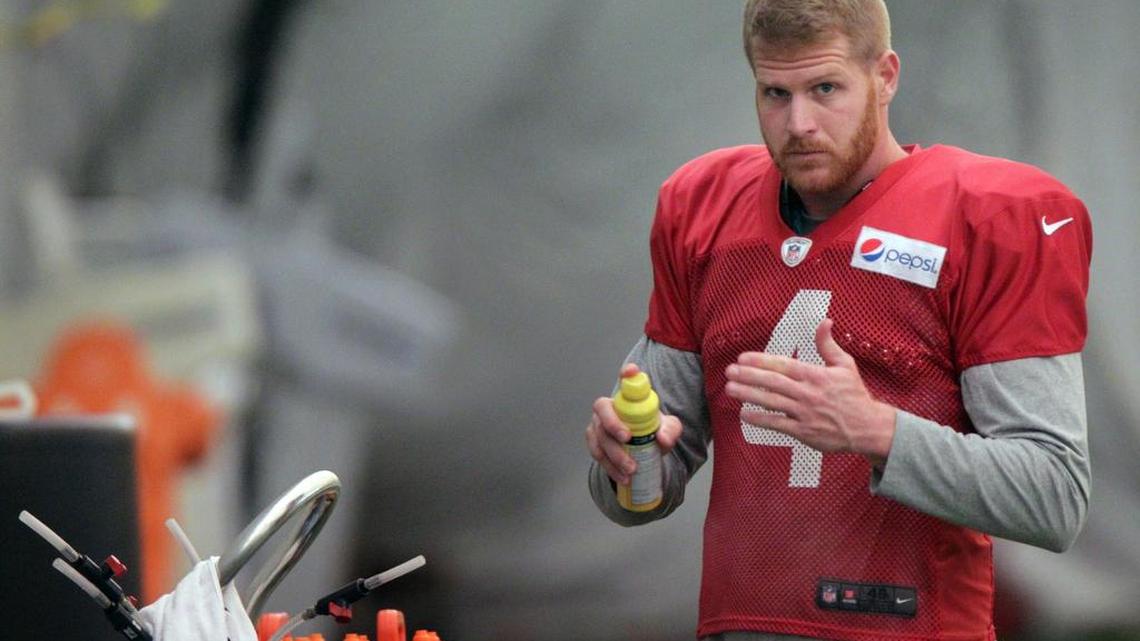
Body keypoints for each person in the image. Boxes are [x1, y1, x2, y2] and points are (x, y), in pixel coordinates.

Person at [584, 1, 1092, 640]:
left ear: (885, 76)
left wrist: (875, 429)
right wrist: (627, 459)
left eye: (825, 88)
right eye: (776, 92)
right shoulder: (702, 208)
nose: (798, 123)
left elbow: (1054, 496)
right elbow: (639, 500)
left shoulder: (991, 218)